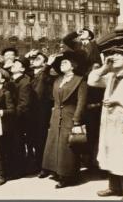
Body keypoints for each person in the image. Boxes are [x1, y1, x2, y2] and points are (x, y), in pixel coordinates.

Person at [88, 47, 123, 200]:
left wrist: (117, 100)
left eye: (118, 56)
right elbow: (92, 80)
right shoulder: (111, 76)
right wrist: (104, 68)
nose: (114, 58)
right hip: (110, 122)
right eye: (112, 56)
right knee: (110, 153)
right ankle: (114, 187)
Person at [41, 51, 88, 188]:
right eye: (61, 63)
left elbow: (81, 102)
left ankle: (68, 176)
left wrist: (77, 120)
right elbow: (44, 78)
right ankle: (56, 171)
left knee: (67, 146)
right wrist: (47, 65)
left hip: (70, 115)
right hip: (56, 116)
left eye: (65, 62)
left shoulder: (80, 80)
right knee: (55, 144)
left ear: (73, 66)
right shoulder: (58, 79)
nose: (62, 64)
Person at [63, 28, 104, 171]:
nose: (83, 33)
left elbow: (97, 63)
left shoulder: (94, 45)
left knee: (92, 126)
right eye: (82, 32)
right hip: (80, 79)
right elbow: (66, 40)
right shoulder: (78, 46)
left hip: (90, 82)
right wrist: (76, 33)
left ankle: (93, 161)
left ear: (91, 35)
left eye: (86, 31)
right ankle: (85, 159)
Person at [25, 50, 54, 177]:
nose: (34, 60)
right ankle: (35, 164)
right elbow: (22, 66)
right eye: (34, 58)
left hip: (42, 110)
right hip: (31, 111)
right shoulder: (30, 74)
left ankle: (44, 167)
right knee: (31, 139)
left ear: (45, 63)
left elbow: (44, 78)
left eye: (38, 58)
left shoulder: (47, 73)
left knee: (41, 139)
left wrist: (48, 65)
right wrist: (26, 57)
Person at [7, 57, 33, 178]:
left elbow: (24, 104)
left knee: (18, 144)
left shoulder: (25, 82)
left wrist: (13, 116)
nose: (12, 65)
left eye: (16, 64)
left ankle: (18, 170)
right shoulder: (11, 80)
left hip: (18, 119)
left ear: (22, 68)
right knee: (12, 144)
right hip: (11, 116)